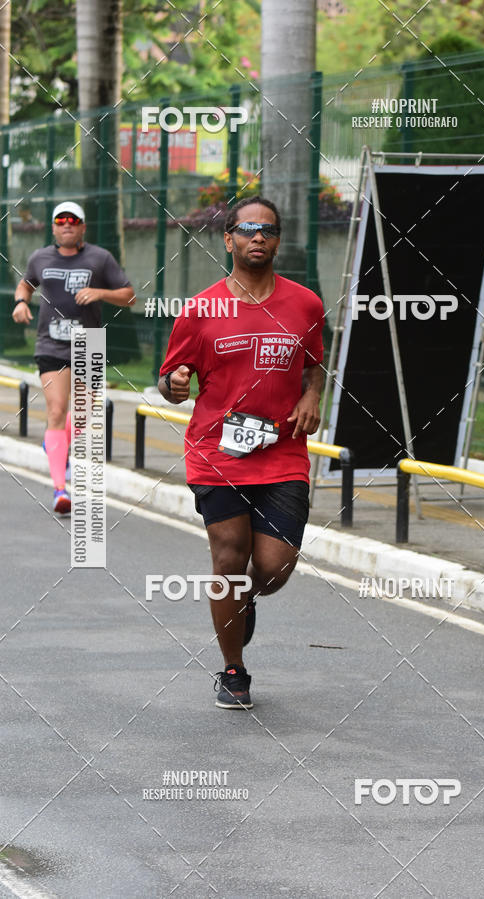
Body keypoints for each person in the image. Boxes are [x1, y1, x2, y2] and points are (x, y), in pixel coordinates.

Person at [159, 196, 324, 710]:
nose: (259, 237)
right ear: (228, 238)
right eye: (248, 229)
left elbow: (315, 361)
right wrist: (176, 382)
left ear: (278, 239)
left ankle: (245, 597)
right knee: (229, 557)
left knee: (272, 569)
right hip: (217, 452)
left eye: (268, 230)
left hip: (282, 453)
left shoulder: (306, 305)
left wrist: (313, 393)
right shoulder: (201, 308)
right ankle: (234, 670)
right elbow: (168, 377)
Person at [12, 201, 135, 514]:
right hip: (50, 345)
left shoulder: (100, 258)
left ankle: (54, 444)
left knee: (85, 414)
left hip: (88, 344)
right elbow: (26, 283)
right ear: (53, 227)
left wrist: (100, 293)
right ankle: (59, 490)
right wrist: (20, 302)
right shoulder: (40, 257)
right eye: (60, 220)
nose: (66, 225)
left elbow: (129, 295)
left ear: (82, 226)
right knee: (56, 410)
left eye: (73, 220)